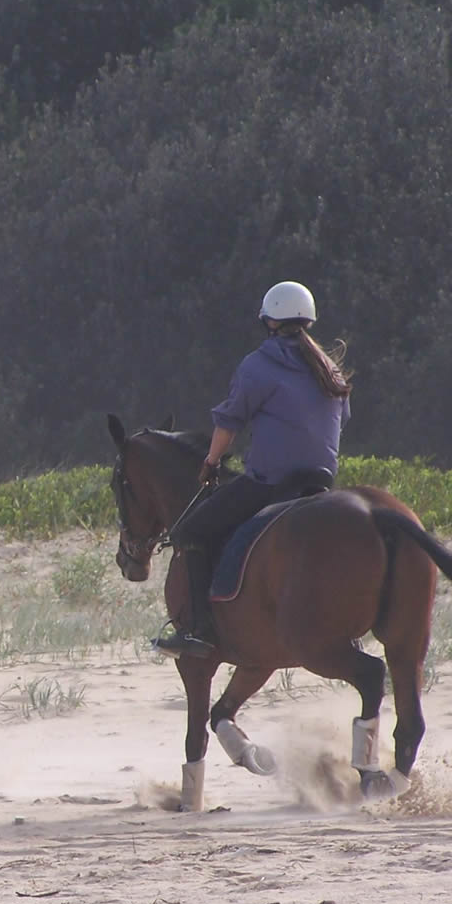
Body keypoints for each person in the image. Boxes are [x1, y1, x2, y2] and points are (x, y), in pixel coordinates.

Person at [153, 280, 352, 658]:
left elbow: (229, 422)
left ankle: (198, 631)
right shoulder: (330, 368)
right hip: (320, 483)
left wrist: (211, 463)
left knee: (191, 531)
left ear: (269, 321)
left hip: (271, 483)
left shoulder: (260, 364)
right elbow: (339, 422)